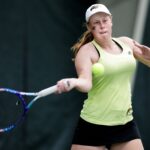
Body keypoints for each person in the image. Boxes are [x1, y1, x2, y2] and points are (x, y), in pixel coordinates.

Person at [56, 3, 150, 150]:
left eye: (104, 20)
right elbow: (86, 83)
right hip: (93, 125)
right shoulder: (86, 52)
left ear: (111, 20)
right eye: (96, 23)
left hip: (124, 123)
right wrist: (73, 82)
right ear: (89, 27)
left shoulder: (126, 43)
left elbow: (147, 58)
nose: (102, 26)